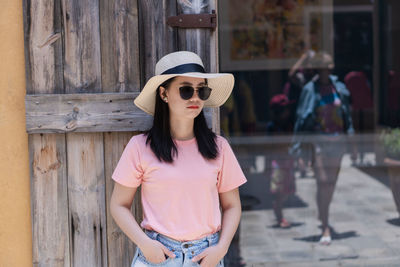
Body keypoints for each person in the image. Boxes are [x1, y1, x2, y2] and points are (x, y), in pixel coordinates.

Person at [109, 51, 248, 267]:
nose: (195, 97)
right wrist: (145, 244)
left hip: (205, 257)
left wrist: (222, 248)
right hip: (158, 256)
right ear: (164, 94)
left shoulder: (219, 147)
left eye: (202, 90)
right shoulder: (140, 147)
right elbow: (118, 204)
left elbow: (232, 205)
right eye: (185, 90)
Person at [291, 52, 354, 245]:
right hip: (318, 142)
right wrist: (297, 148)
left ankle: (323, 209)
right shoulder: (310, 89)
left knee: (331, 183)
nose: (329, 67)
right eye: (326, 64)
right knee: (323, 181)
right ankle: (325, 226)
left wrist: (353, 142)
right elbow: (301, 119)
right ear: (319, 67)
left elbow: (346, 116)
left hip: (338, 142)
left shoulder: (339, 87)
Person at [266, 94, 296, 228]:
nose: (288, 112)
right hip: (277, 164)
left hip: (287, 162)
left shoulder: (289, 125)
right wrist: (267, 166)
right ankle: (280, 218)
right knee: (278, 193)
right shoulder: (272, 127)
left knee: (285, 192)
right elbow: (268, 149)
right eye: (285, 109)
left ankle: (280, 215)